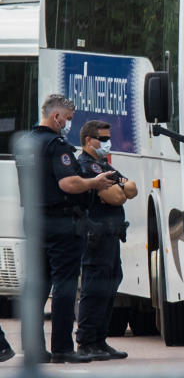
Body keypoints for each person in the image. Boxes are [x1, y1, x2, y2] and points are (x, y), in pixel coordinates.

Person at [14, 94, 116, 363]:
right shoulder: (56, 145)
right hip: (61, 222)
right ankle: (62, 347)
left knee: (37, 285)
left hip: (34, 220)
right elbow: (68, 184)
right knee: (65, 285)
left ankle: (34, 349)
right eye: (68, 119)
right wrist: (95, 182)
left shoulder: (25, 142)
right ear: (56, 116)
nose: (69, 124)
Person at [75, 120, 138, 360]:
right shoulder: (87, 166)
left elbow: (132, 189)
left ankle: (100, 341)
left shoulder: (103, 166)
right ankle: (87, 341)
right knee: (95, 289)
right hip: (96, 237)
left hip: (110, 235)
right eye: (102, 138)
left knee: (111, 286)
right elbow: (117, 197)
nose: (107, 142)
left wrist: (120, 188)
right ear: (88, 140)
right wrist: (120, 189)